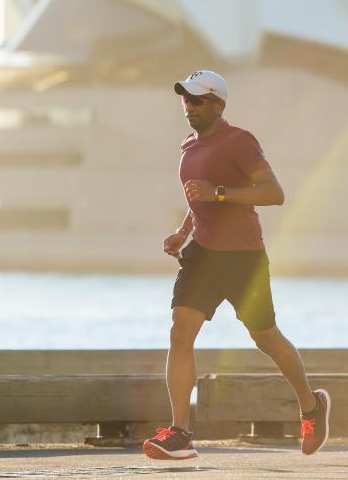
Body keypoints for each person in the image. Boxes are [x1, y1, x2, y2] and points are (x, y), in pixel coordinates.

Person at [142, 70, 331, 461]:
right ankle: (181, 433)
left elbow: (274, 194)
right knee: (180, 333)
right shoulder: (188, 146)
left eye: (196, 100)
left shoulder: (240, 142)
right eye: (185, 99)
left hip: (244, 259)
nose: (188, 107)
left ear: (217, 104)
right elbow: (199, 199)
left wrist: (221, 194)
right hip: (202, 256)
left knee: (265, 337)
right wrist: (182, 231)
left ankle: (312, 407)